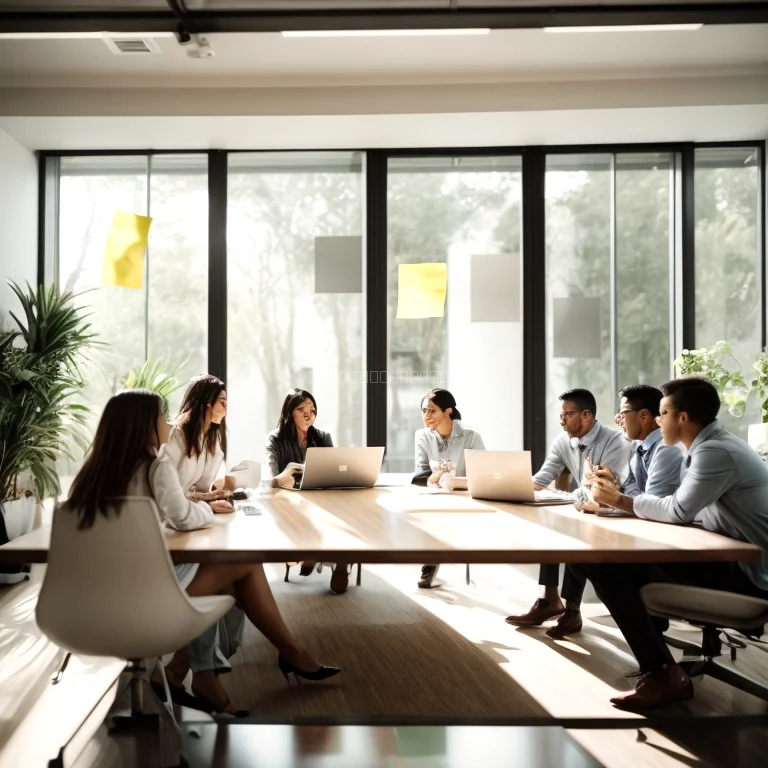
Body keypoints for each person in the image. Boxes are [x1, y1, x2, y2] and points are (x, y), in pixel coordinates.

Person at [64, 389, 340, 716]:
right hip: (144, 599)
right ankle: (278, 656)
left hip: (86, 603)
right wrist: (210, 511)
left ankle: (195, 675)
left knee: (223, 569)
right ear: (144, 427)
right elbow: (181, 515)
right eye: (161, 416)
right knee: (242, 563)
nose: (169, 421)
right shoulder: (156, 466)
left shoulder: (89, 478)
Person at [574, 377, 768, 710]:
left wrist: (619, 501)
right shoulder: (709, 447)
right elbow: (695, 514)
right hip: (735, 562)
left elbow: (677, 510)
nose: (657, 421)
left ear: (682, 417)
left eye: (663, 413)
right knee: (599, 557)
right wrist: (620, 497)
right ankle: (660, 665)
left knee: (603, 561)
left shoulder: (714, 452)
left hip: (752, 578)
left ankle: (662, 672)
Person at [544, 384, 684, 639]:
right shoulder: (639, 451)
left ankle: (655, 653)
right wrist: (611, 485)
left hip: (666, 544)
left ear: (643, 416)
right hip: (647, 533)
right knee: (579, 542)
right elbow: (631, 492)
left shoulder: (664, 450)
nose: (618, 419)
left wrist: (613, 496)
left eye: (623, 412)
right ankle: (569, 610)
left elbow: (652, 505)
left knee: (591, 557)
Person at [148, 374, 242, 713]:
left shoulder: (212, 440)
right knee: (232, 570)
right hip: (172, 530)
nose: (227, 408)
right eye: (222, 402)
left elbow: (193, 488)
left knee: (231, 569)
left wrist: (210, 495)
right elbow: (171, 496)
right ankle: (198, 672)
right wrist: (204, 503)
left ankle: (183, 671)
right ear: (205, 404)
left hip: (182, 522)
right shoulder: (174, 439)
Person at [505, 388, 632, 628]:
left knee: (576, 531)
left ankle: (571, 609)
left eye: (567, 414)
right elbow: (542, 478)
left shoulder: (616, 441)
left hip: (615, 513)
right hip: (586, 509)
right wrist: (511, 487)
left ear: (586, 415)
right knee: (551, 525)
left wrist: (567, 496)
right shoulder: (562, 441)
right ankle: (551, 600)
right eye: (561, 414)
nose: (561, 419)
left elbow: (604, 488)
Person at [264, 388, 351, 595]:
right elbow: (269, 481)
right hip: (291, 502)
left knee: (346, 513)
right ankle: (309, 552)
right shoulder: (275, 439)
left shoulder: (323, 437)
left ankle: (340, 564)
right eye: (301, 409)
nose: (308, 414)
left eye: (312, 409)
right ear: (289, 413)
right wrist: (284, 475)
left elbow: (334, 471)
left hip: (322, 498)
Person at [414, 388, 485, 589]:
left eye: (431, 411)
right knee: (427, 512)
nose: (426, 416)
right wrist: (437, 473)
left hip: (466, 498)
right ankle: (430, 561)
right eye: (424, 411)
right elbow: (420, 475)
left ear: (449, 411)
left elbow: (482, 475)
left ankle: (431, 561)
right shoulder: (422, 436)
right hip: (434, 498)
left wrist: (453, 480)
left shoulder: (472, 437)